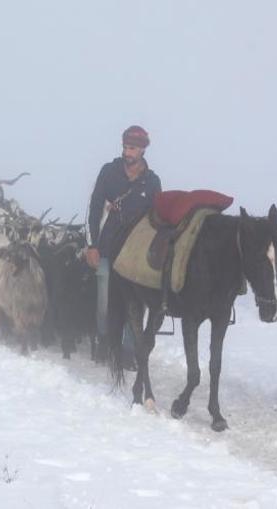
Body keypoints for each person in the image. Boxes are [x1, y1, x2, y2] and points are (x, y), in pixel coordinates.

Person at [86, 125, 162, 367]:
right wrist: (92, 246)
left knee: (134, 303)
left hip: (134, 255)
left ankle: (128, 350)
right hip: (106, 248)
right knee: (104, 300)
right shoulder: (109, 172)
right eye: (125, 147)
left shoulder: (152, 182)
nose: (127, 152)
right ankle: (104, 341)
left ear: (142, 150)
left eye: (132, 148)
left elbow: (156, 219)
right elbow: (94, 207)